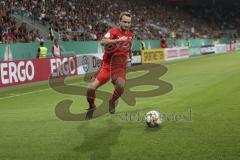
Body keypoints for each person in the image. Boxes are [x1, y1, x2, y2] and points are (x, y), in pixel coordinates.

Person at [86, 12, 134, 115]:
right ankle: (91, 106)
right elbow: (103, 42)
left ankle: (112, 102)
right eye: (124, 22)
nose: (126, 24)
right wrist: (117, 40)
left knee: (121, 86)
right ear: (120, 22)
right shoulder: (113, 32)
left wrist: (129, 56)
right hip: (108, 66)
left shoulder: (131, 34)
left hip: (120, 67)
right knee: (91, 88)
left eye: (129, 22)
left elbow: (128, 46)